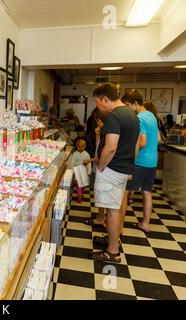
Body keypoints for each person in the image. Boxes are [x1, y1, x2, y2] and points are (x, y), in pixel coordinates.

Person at [89, 84, 140, 264]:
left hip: (112, 169)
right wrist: (130, 166)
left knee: (111, 211)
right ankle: (113, 240)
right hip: (123, 169)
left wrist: (101, 167)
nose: (99, 108)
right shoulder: (132, 115)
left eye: (98, 103)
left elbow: (111, 147)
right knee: (115, 209)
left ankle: (112, 252)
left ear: (105, 99)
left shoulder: (114, 117)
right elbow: (135, 145)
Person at [120, 91, 160, 234]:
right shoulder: (152, 116)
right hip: (152, 161)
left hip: (140, 161)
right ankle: (145, 224)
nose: (127, 109)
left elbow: (142, 142)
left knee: (124, 192)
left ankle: (119, 227)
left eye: (128, 106)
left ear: (135, 104)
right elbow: (158, 139)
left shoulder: (139, 118)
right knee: (147, 192)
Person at [84, 110, 109, 228]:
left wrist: (91, 161)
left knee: (103, 194)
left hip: (102, 168)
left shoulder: (109, 133)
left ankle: (103, 218)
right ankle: (100, 217)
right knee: (99, 193)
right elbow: (98, 147)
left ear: (99, 121)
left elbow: (101, 154)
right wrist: (98, 135)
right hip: (99, 167)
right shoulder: (103, 132)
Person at [68, 138, 92, 203]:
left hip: (84, 172)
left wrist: (89, 171)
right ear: (77, 147)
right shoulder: (75, 154)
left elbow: (89, 163)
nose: (81, 148)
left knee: (83, 185)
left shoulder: (86, 154)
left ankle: (81, 193)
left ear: (85, 147)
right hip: (77, 172)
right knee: (78, 185)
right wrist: (72, 170)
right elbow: (72, 163)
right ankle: (79, 196)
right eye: (79, 147)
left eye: (82, 147)